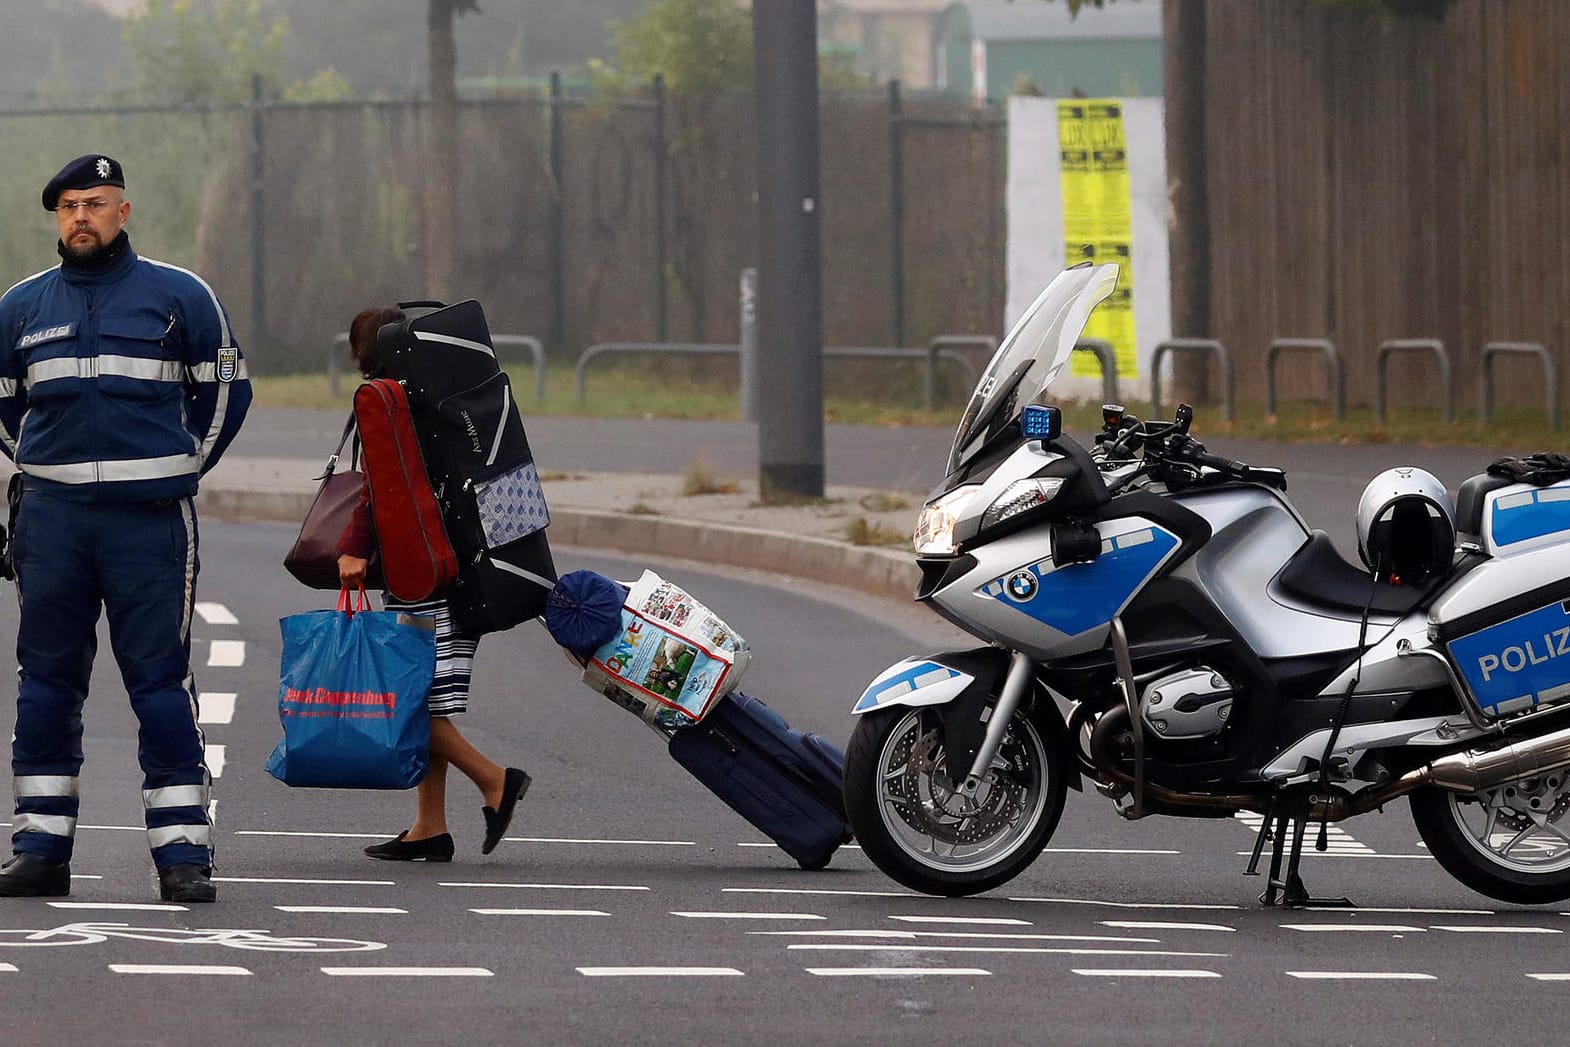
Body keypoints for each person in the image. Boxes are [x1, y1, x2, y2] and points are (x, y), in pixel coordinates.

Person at [0, 155, 252, 902]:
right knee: (44, 685)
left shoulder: (180, 296)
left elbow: (225, 395)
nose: (81, 216)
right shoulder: (19, 305)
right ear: (57, 217)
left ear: (125, 211)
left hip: (150, 527)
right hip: (52, 524)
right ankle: (40, 849)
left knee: (160, 685)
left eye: (96, 203)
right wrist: (50, 470)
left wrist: (177, 471)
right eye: (70, 205)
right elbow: (7, 409)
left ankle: (183, 854)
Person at [337, 306, 530, 863]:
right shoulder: (443, 394)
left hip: (424, 571)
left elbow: (382, 489)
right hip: (469, 563)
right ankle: (429, 827)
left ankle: (495, 781)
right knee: (427, 699)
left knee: (409, 701)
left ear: (363, 355)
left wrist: (355, 547)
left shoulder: (389, 401)